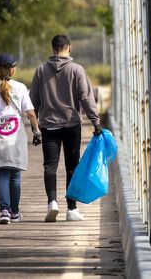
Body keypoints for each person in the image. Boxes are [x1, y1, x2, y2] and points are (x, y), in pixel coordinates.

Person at [30, 35, 102, 222]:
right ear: (68, 48)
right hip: (71, 125)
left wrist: (34, 127)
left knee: (50, 166)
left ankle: (52, 202)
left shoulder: (41, 71)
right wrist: (95, 122)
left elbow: (33, 102)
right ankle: (71, 209)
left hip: (49, 126)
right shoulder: (77, 70)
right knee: (72, 167)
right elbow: (86, 98)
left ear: (53, 49)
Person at [0, 53, 41, 225]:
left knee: (1, 172)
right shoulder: (21, 88)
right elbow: (30, 113)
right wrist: (37, 132)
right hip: (15, 134)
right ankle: (15, 212)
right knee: (15, 173)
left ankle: (4, 211)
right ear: (13, 69)